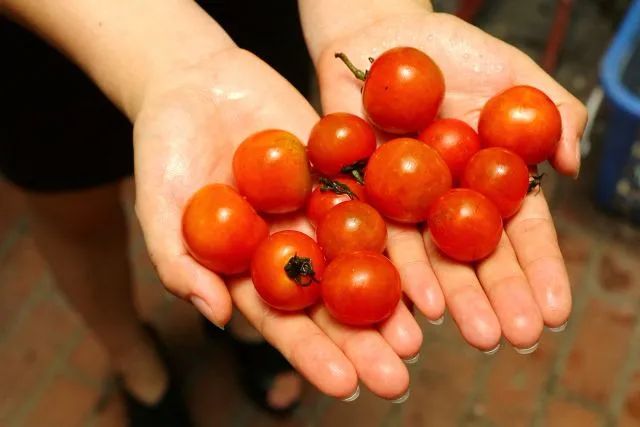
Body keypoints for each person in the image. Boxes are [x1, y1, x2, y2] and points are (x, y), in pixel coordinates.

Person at [0, 0, 587, 424]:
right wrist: (165, 62)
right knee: (75, 213)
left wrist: (365, 10)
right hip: (44, 45)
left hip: (242, 15)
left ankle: (242, 337)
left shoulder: (352, 188)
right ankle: (130, 354)